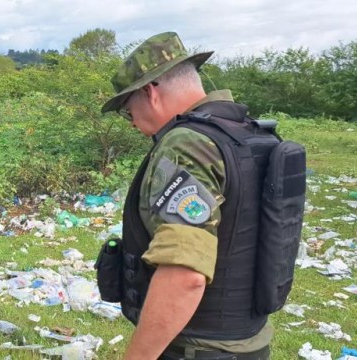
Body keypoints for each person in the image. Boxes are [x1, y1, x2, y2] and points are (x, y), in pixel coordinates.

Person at [99, 32, 285, 360]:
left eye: (129, 113)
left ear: (149, 92)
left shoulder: (186, 144)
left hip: (198, 348)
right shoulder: (248, 134)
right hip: (248, 340)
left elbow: (184, 275)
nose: (132, 124)